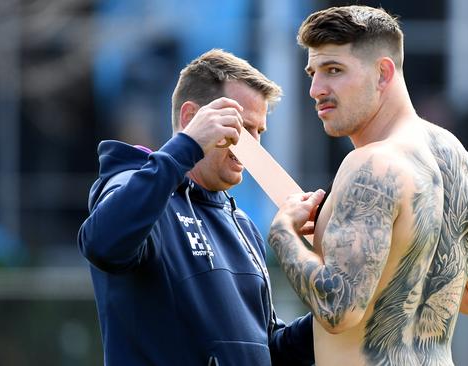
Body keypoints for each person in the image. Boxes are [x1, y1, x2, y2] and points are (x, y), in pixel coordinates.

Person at [267, 5, 468, 366]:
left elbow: (338, 309)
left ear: (383, 73)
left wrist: (283, 233)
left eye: (334, 70)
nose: (315, 89)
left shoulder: (370, 162)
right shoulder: (467, 168)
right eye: (312, 73)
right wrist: (381, 253)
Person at [78, 49, 314, 366]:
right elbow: (102, 243)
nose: (253, 146)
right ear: (191, 118)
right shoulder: (135, 187)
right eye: (240, 128)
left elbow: (265, 350)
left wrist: (335, 319)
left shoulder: (242, 225)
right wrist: (187, 145)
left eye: (259, 132)